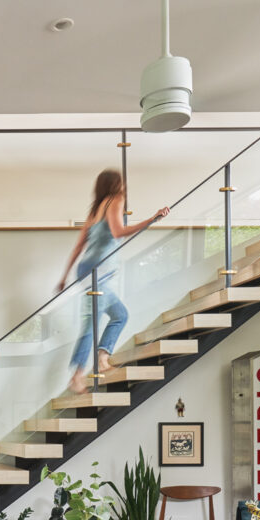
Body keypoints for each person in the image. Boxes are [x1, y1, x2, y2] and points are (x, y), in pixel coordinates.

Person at [57, 169, 169, 394]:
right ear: (116, 185)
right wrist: (152, 219)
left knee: (120, 315)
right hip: (100, 270)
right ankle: (78, 374)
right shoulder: (114, 200)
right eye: (122, 183)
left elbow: (80, 246)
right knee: (91, 322)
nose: (124, 187)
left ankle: (102, 358)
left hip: (87, 270)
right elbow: (118, 232)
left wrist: (65, 276)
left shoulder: (93, 211)